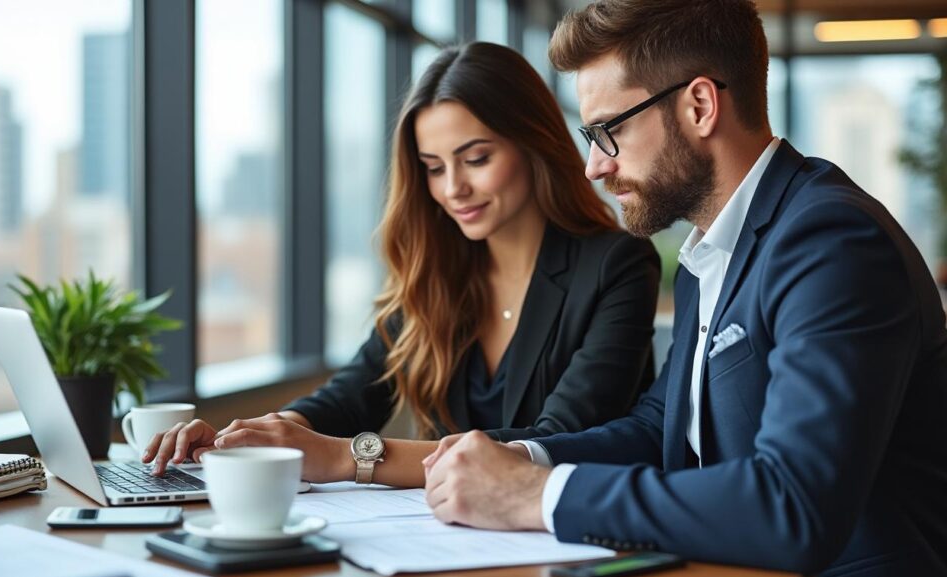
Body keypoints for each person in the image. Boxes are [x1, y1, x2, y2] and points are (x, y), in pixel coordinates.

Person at [421, 2, 947, 577]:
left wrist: (535, 495)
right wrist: (525, 458)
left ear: (700, 106)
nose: (594, 167)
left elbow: (794, 503)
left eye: (609, 131)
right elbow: (659, 426)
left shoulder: (831, 241)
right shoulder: (709, 254)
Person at [144, 42, 661, 489]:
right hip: (447, 531)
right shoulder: (437, 270)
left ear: (535, 146)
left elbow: (559, 440)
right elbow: (352, 395)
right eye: (433, 168)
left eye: (476, 159)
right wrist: (247, 437)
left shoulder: (617, 266)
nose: (453, 188)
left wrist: (348, 457)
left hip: (562, 532)